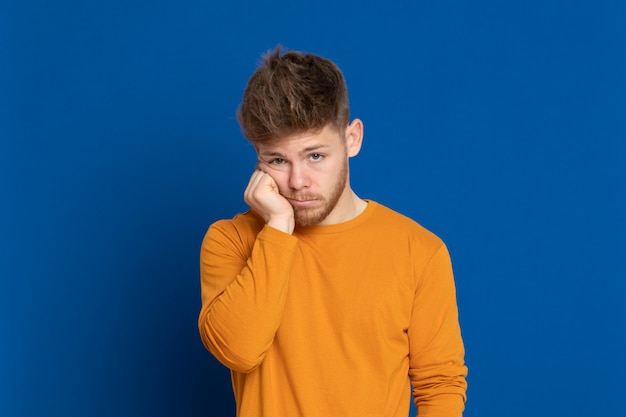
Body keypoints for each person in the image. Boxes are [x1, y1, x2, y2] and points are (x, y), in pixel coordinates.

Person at [198, 46, 468, 417]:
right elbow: (238, 351)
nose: (297, 182)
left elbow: (440, 385)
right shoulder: (231, 240)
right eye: (278, 160)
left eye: (315, 156)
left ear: (351, 139)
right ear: (258, 157)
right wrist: (277, 228)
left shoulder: (418, 250)